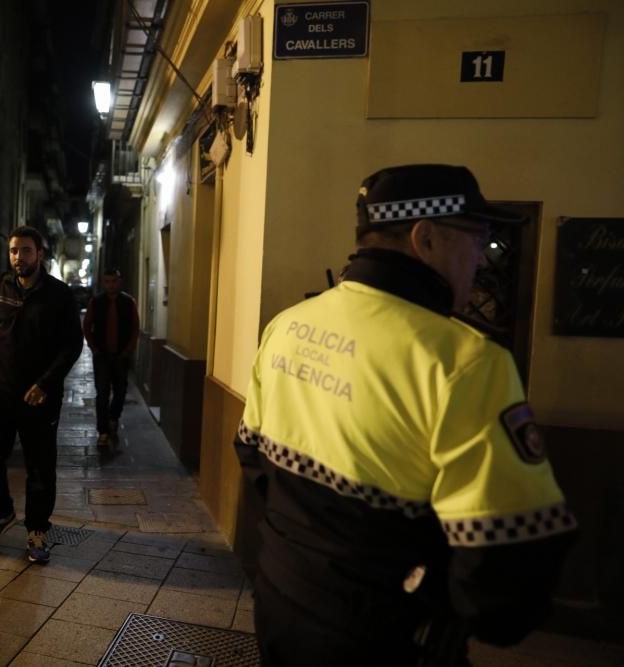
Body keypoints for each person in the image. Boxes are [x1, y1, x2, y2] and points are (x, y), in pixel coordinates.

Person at [235, 164, 578, 665]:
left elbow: (252, 457)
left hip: (282, 605)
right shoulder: (465, 363)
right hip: (388, 637)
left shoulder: (287, 326)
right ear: (427, 238)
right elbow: (506, 561)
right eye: (477, 237)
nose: (483, 257)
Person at [0, 225, 83, 563]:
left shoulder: (59, 295)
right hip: (2, 387)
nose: (18, 257)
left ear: (40, 254)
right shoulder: (2, 288)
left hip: (40, 395)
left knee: (40, 465)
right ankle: (1, 513)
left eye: (26, 251)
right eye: (14, 251)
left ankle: (37, 531)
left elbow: (72, 345)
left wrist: (45, 383)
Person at [82, 268, 139, 445]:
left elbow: (134, 328)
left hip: (121, 355)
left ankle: (113, 417)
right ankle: (103, 431)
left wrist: (128, 350)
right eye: (107, 282)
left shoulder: (128, 302)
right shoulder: (96, 302)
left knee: (120, 391)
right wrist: (94, 348)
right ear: (103, 282)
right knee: (102, 393)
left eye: (114, 281)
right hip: (102, 356)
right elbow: (86, 326)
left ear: (119, 282)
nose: (110, 285)